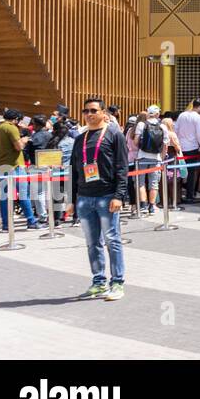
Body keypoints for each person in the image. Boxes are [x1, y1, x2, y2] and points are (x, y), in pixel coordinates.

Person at [67, 97, 129, 300]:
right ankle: (98, 281)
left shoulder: (114, 135)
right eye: (85, 111)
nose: (89, 114)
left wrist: (119, 195)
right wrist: (71, 199)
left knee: (112, 240)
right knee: (92, 242)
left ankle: (117, 282)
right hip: (85, 197)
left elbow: (122, 167)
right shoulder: (80, 139)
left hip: (107, 195)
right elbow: (74, 171)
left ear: (103, 113)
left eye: (93, 110)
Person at [0, 108, 39, 230]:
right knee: (23, 195)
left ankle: (6, 224)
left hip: (0, 165)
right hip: (15, 165)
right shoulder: (11, 127)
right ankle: (31, 221)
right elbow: (19, 147)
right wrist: (25, 139)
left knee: (4, 197)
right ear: (16, 119)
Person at [132, 105, 167, 215]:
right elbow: (165, 145)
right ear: (157, 114)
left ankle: (143, 205)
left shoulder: (141, 124)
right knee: (154, 183)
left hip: (142, 156)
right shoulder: (163, 126)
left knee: (140, 182)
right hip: (156, 158)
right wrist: (161, 158)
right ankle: (152, 206)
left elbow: (136, 142)